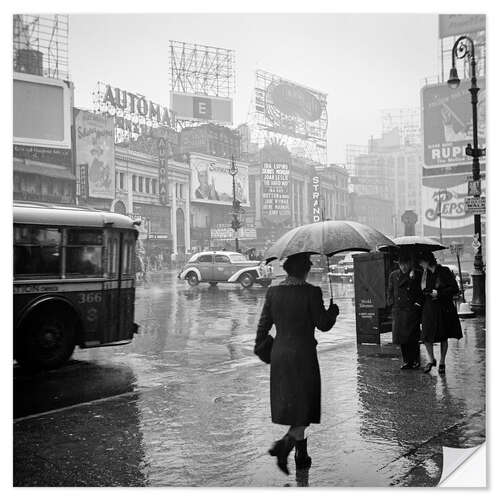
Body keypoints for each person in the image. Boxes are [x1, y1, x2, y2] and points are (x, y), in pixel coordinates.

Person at [254, 253, 339, 475]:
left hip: (281, 356)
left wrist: (268, 350)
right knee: (305, 407)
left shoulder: (273, 292)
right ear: (304, 269)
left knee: (297, 409)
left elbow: (262, 328)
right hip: (304, 356)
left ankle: (302, 456)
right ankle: (285, 446)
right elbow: (323, 324)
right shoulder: (312, 292)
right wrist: (334, 312)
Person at [418, 251, 463, 374]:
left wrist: (439, 293)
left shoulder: (444, 271)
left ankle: (442, 362)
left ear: (427, 261)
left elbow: (454, 288)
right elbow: (421, 291)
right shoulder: (424, 274)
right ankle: (431, 359)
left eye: (421, 262)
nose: (420, 264)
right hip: (429, 308)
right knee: (426, 336)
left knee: (443, 336)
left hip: (444, 307)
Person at [387, 253, 424, 370]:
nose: (403, 267)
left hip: (411, 310)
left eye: (405, 264)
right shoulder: (393, 275)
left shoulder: (415, 274)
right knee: (401, 338)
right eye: (401, 264)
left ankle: (416, 361)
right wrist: (391, 303)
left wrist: (417, 304)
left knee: (412, 337)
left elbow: (420, 291)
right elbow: (390, 290)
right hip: (399, 310)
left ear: (409, 264)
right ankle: (407, 361)